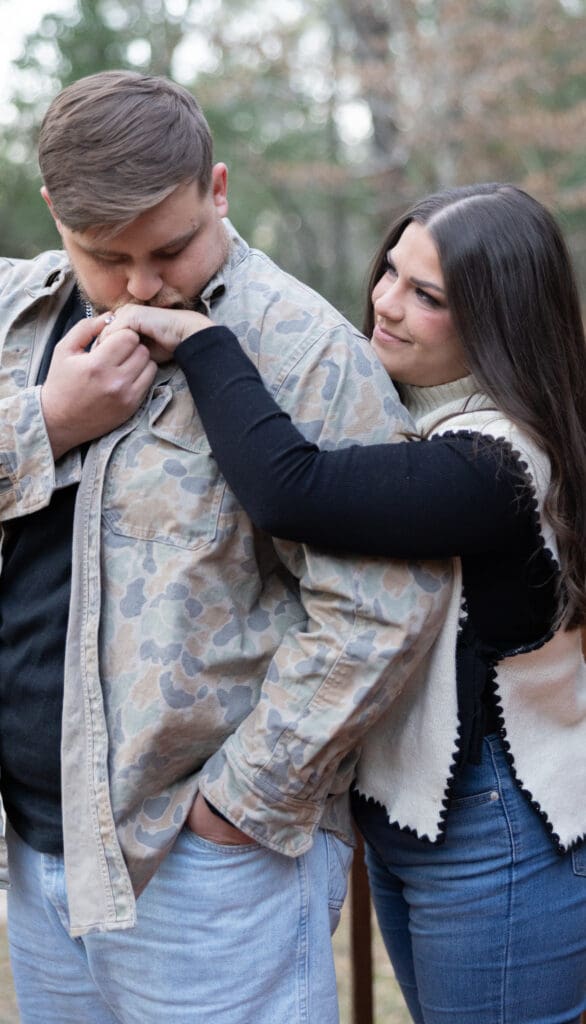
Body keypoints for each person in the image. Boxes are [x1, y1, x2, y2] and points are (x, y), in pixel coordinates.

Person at [0, 70, 451, 1024]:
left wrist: (242, 803)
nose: (140, 286)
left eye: (169, 248)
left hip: (204, 872)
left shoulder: (308, 350)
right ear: (54, 213)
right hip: (36, 856)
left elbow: (382, 601)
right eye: (102, 255)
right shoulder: (16, 318)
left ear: (218, 188)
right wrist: (46, 420)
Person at [108, 183, 586, 1022]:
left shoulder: (496, 462)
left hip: (499, 829)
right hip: (417, 820)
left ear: (500, 317)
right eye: (392, 271)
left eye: (427, 296)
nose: (388, 303)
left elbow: (293, 490)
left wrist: (208, 340)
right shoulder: (442, 428)